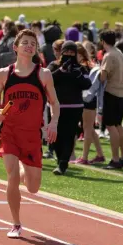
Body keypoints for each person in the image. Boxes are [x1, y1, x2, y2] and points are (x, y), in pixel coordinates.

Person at [0, 29, 60, 238]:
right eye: (25, 42)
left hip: (31, 136)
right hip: (9, 132)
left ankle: (23, 167)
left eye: (33, 43)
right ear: (15, 47)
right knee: (10, 176)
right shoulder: (4, 73)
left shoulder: (43, 74)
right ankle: (16, 224)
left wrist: (53, 122)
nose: (29, 46)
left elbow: (55, 103)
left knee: (33, 187)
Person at [47, 40, 92, 175]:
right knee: (55, 136)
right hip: (56, 107)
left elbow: (87, 84)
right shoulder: (54, 66)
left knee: (69, 136)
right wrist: (61, 71)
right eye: (66, 51)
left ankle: (63, 163)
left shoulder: (80, 68)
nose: (69, 54)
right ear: (62, 52)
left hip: (74, 107)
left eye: (72, 52)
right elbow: (47, 80)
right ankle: (60, 159)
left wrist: (76, 74)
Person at [99, 30, 123, 169]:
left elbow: (103, 77)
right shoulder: (119, 52)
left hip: (111, 93)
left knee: (111, 126)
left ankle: (115, 159)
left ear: (103, 41)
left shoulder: (109, 55)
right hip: (122, 93)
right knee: (118, 126)